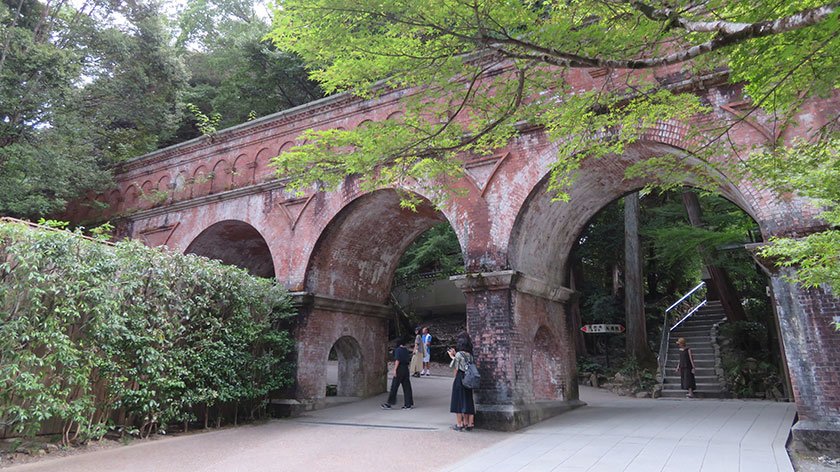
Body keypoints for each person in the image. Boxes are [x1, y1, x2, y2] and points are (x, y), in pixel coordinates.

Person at [447, 331, 475, 431]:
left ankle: (459, 424)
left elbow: (455, 367)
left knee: (458, 401)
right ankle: (469, 423)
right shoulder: (470, 355)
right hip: (468, 379)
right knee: (467, 400)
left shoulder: (459, 354)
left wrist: (452, 356)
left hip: (460, 378)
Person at [382, 336, 414, 409]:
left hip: (400, 369)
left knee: (394, 386)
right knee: (407, 387)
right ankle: (408, 404)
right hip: (406, 369)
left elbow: (397, 360)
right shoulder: (406, 350)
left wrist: (395, 370)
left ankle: (389, 403)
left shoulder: (398, 350)